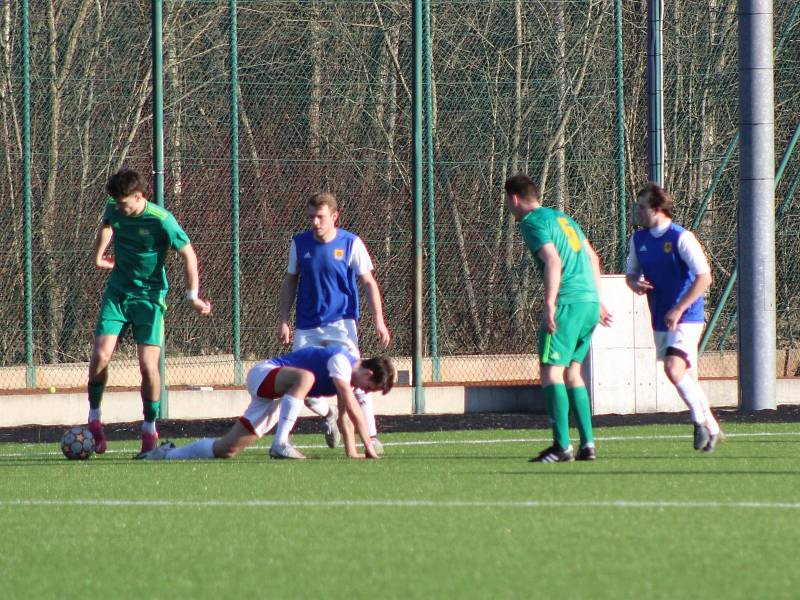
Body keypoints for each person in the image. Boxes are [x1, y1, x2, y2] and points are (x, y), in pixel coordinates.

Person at [87, 168, 212, 456]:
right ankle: (94, 419)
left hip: (150, 297)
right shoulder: (114, 208)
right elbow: (107, 223)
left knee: (147, 366)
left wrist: (193, 296)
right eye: (116, 203)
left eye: (124, 203)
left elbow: (188, 254)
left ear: (139, 196)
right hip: (118, 292)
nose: (119, 208)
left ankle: (149, 428)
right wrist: (98, 255)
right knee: (100, 356)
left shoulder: (161, 220)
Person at [504, 174, 612, 463]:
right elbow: (593, 258)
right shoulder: (564, 218)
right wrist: (597, 299)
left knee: (551, 371)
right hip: (589, 302)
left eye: (508, 203)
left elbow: (553, 260)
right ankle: (587, 445)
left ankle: (561, 446)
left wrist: (550, 303)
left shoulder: (532, 223)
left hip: (567, 302)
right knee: (573, 373)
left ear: (514, 199)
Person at [276, 192, 391, 452]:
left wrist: (378, 320)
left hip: (341, 325)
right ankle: (327, 415)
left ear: (334, 216)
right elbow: (290, 281)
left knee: (358, 380)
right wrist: (284, 319)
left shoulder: (351, 243)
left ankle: (370, 436)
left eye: (321, 217)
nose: (315, 222)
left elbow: (369, 282)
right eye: (311, 217)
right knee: (300, 384)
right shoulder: (299, 243)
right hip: (307, 326)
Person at [141, 346, 395, 460]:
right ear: (368, 373)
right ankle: (280, 444)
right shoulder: (342, 361)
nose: (364, 391)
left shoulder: (349, 379)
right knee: (306, 377)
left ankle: (166, 454)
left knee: (226, 449)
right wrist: (369, 446)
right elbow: (352, 409)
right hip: (264, 375)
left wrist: (352, 451)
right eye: (369, 387)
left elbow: (344, 417)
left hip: (277, 397)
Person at [625, 182, 723, 452]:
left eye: (642, 207)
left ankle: (698, 422)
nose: (639, 212)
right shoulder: (639, 240)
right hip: (661, 316)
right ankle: (713, 429)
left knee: (673, 368)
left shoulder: (681, 237)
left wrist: (680, 308)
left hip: (687, 316)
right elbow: (631, 274)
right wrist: (635, 284)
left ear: (657, 209)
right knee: (686, 377)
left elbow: (705, 277)